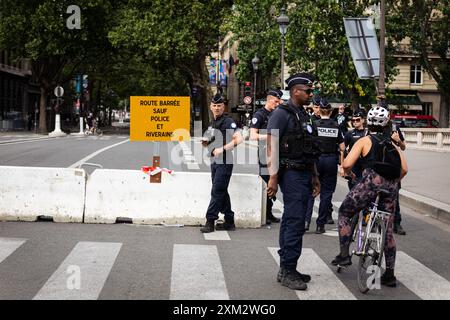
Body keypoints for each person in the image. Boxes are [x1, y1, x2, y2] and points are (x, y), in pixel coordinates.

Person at [332, 105, 408, 287]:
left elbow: (348, 164)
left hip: (369, 183)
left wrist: (346, 171)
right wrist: (392, 182)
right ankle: (389, 275)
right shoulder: (392, 144)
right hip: (390, 188)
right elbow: (404, 169)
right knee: (388, 230)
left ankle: (344, 255)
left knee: (345, 213)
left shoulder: (365, 141)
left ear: (368, 122)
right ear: (386, 123)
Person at [266, 73, 321, 290]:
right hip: (290, 175)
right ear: (296, 91)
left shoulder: (304, 116)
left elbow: (310, 148)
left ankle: (288, 267)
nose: (311, 94)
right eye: (308, 91)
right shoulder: (282, 114)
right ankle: (287, 270)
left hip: (305, 173)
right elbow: (271, 147)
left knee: (295, 221)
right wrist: (272, 177)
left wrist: (315, 175)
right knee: (294, 221)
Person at [200, 93, 243, 233]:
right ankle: (229, 221)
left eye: (219, 106)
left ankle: (210, 221)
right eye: (214, 106)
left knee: (217, 190)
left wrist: (222, 149)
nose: (217, 108)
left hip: (225, 160)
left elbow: (239, 139)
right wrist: (206, 143)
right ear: (211, 107)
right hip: (214, 161)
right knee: (221, 190)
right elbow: (210, 140)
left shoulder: (228, 121)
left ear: (223, 107)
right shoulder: (213, 122)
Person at [250, 89, 283, 225]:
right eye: (276, 101)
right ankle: (265, 213)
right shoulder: (260, 114)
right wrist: (270, 136)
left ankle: (269, 212)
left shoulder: (279, 114)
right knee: (266, 183)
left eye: (279, 101)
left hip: (278, 153)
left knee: (275, 182)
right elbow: (253, 135)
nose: (278, 103)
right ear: (269, 100)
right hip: (264, 154)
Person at [313, 98, 345, 234]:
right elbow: (342, 147)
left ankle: (306, 221)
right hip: (331, 160)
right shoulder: (336, 126)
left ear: (319, 111)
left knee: (312, 190)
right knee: (326, 194)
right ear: (331, 112)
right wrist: (342, 165)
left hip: (316, 160)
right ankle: (320, 224)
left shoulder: (314, 125)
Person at [304, 95, 322, 230]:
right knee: (310, 192)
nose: (318, 110)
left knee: (325, 193)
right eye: (316, 107)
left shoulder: (331, 122)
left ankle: (322, 219)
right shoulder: (309, 120)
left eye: (320, 107)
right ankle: (306, 220)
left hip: (325, 159)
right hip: (314, 160)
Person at [342, 108, 368, 190]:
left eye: (357, 120)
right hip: (353, 166)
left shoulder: (368, 133)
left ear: (363, 120)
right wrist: (342, 167)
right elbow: (342, 149)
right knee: (353, 191)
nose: (355, 122)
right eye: (353, 120)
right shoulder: (349, 134)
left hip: (365, 166)